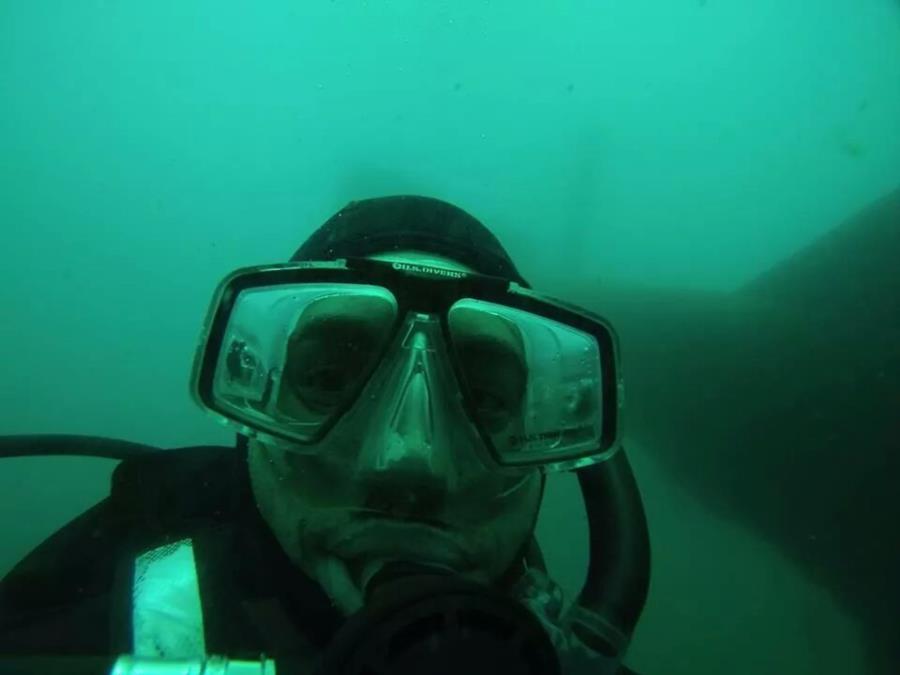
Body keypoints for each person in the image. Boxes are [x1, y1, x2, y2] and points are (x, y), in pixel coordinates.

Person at [0, 195, 650, 675]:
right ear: (253, 418)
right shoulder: (69, 640)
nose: (409, 464)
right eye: (328, 379)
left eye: (485, 400)